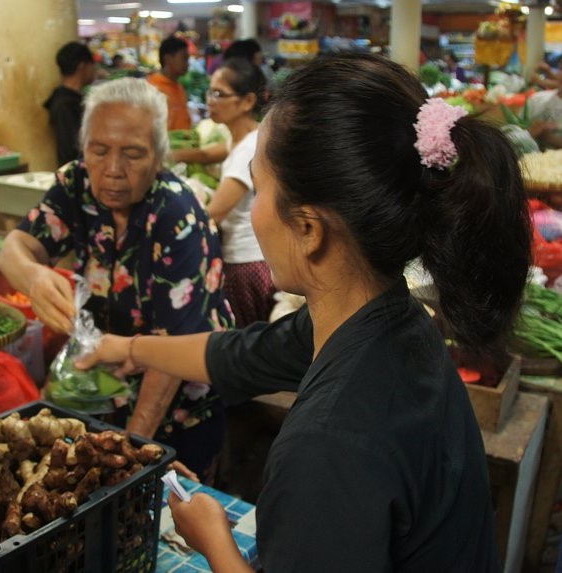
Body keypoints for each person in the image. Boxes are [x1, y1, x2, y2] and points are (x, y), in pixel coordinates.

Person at [76, 52, 531, 571]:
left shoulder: (327, 444)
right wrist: (127, 348)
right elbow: (239, 354)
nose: (252, 210)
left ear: (309, 229)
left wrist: (213, 539)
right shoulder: (390, 319)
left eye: (260, 188)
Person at [0, 77, 234, 481]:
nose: (112, 170)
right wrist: (35, 276)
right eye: (99, 150)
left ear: (159, 157)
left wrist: (129, 450)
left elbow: (172, 351)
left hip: (179, 405)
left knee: (167, 515)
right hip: (110, 387)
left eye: (132, 154)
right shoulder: (77, 185)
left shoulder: (176, 214)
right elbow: (13, 249)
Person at [200, 57, 273, 327]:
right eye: (210, 92)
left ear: (247, 101)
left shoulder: (248, 149)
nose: (210, 100)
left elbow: (215, 213)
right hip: (251, 257)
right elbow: (211, 152)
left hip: (246, 262)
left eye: (219, 94)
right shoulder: (245, 137)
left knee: (247, 341)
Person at [43, 41, 97, 167]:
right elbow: (71, 150)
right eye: (92, 65)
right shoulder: (64, 104)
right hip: (76, 175)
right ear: (82, 66)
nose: (95, 70)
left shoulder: (69, 99)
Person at [147, 36, 192, 131]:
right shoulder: (151, 88)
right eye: (184, 58)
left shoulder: (178, 87)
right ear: (168, 59)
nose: (188, 64)